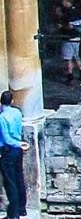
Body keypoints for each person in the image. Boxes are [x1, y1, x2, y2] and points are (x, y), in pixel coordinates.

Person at [0, 91, 28, 219]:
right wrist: (20, 144)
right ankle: (22, 208)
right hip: (17, 150)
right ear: (12, 101)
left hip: (8, 150)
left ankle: (13, 213)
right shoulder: (17, 112)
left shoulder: (2, 117)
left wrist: (18, 144)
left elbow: (6, 139)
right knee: (19, 178)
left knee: (10, 182)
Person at [57, 0, 81, 84]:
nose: (62, 2)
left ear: (68, 2)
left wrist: (61, 26)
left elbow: (71, 26)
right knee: (77, 56)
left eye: (63, 1)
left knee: (68, 59)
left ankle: (70, 78)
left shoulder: (70, 13)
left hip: (69, 38)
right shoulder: (76, 11)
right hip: (77, 37)